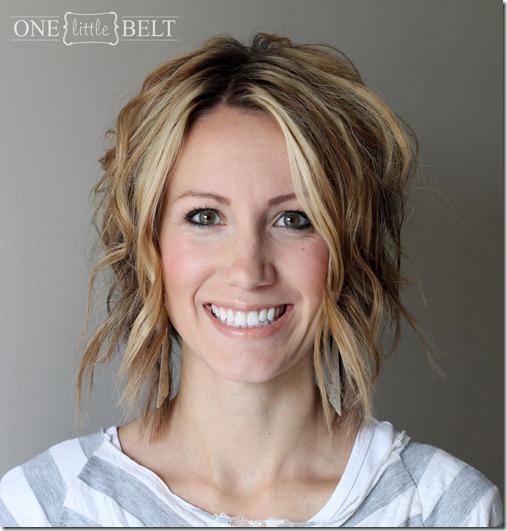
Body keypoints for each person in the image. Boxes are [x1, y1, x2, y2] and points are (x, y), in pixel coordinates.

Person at [0, 33, 502, 527]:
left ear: (347, 249)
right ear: (149, 246)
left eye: (294, 219)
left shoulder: (447, 510)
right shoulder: (42, 509)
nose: (247, 270)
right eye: (204, 217)